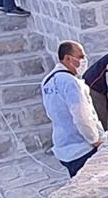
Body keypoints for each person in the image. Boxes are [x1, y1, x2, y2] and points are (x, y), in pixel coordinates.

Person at [41, 41, 104, 177]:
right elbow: (82, 116)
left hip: (63, 146)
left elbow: (50, 110)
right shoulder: (70, 82)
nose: (83, 61)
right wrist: (95, 140)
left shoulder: (47, 80)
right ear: (68, 58)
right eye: (80, 57)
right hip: (81, 148)